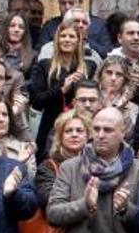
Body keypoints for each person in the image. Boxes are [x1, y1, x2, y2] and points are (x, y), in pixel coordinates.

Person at [29, 22, 97, 162]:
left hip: (82, 127)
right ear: (57, 40)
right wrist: (61, 88)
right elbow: (37, 101)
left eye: (71, 36)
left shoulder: (89, 66)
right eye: (63, 36)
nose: (66, 39)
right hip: (50, 126)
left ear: (79, 40)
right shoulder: (44, 66)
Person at [37, 0, 114, 57]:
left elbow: (107, 53)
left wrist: (84, 39)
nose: (67, 7)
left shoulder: (99, 25)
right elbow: (40, 53)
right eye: (63, 3)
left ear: (80, 2)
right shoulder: (50, 26)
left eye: (71, 3)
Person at [96, 57, 139, 132]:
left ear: (125, 80)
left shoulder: (132, 108)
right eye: (109, 73)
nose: (113, 78)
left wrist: (116, 110)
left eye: (119, 74)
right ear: (100, 76)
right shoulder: (90, 100)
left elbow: (127, 135)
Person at [0, 10, 35, 74]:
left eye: (21, 27)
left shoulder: (33, 56)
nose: (17, 30)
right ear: (5, 28)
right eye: (12, 25)